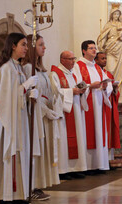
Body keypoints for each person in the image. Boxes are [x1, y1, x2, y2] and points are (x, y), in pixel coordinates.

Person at [0, 33, 38, 204]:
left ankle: (19, 193)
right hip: (11, 123)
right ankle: (7, 196)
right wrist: (25, 86)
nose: (26, 48)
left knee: (22, 155)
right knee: (11, 156)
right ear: (13, 46)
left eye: (27, 45)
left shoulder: (19, 68)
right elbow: (4, 98)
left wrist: (29, 95)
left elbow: (19, 95)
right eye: (23, 44)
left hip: (20, 120)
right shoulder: (6, 69)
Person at [23, 34, 60, 200]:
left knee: (43, 152)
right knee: (34, 151)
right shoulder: (28, 68)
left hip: (45, 116)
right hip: (35, 116)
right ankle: (30, 187)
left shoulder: (41, 70)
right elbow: (30, 96)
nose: (44, 47)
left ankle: (37, 185)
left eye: (44, 44)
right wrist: (44, 110)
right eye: (40, 45)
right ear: (32, 48)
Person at [73, 40, 113, 173]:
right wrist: (91, 86)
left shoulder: (97, 67)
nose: (94, 50)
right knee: (88, 131)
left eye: (95, 48)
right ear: (84, 50)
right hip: (87, 105)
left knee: (99, 132)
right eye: (91, 48)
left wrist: (105, 86)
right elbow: (77, 85)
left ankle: (99, 164)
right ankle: (88, 166)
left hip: (99, 103)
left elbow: (107, 83)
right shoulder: (78, 66)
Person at [49, 51, 88, 179]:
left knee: (77, 138)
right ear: (63, 60)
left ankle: (75, 168)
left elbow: (76, 90)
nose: (73, 61)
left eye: (74, 58)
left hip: (76, 111)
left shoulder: (73, 74)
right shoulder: (55, 74)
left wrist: (82, 91)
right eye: (71, 59)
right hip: (65, 113)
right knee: (64, 141)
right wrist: (72, 91)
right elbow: (55, 93)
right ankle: (63, 169)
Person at [97, 3, 122, 102]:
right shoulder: (108, 25)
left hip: (121, 49)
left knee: (121, 72)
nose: (116, 16)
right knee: (110, 70)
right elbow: (102, 38)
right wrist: (101, 43)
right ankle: (109, 91)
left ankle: (119, 93)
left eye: (118, 14)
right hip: (111, 49)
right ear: (111, 15)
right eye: (114, 14)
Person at [95, 52, 121, 153]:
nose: (105, 60)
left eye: (105, 58)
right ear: (96, 60)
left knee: (110, 130)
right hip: (100, 105)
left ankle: (109, 159)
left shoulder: (108, 74)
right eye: (102, 58)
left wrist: (115, 89)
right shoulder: (95, 73)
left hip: (109, 106)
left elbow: (115, 94)